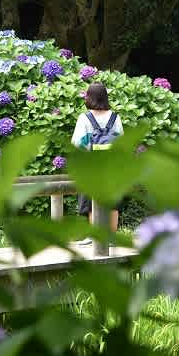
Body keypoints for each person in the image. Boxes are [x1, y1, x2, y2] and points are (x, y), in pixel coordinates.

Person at [71, 82, 124, 245]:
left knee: (91, 202)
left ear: (89, 97)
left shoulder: (84, 118)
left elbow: (77, 143)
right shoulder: (115, 117)